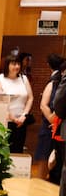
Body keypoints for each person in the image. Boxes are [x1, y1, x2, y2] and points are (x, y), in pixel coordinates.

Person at [0, 51, 34, 154]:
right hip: (5, 122)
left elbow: (30, 98)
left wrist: (24, 115)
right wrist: (13, 118)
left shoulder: (23, 79)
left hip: (21, 121)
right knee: (3, 152)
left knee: (17, 151)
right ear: (7, 65)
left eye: (18, 64)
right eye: (14, 64)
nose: (17, 66)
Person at [38, 54, 64, 184]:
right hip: (50, 125)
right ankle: (40, 183)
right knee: (45, 155)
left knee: (58, 159)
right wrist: (53, 120)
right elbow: (44, 105)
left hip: (60, 126)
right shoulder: (53, 82)